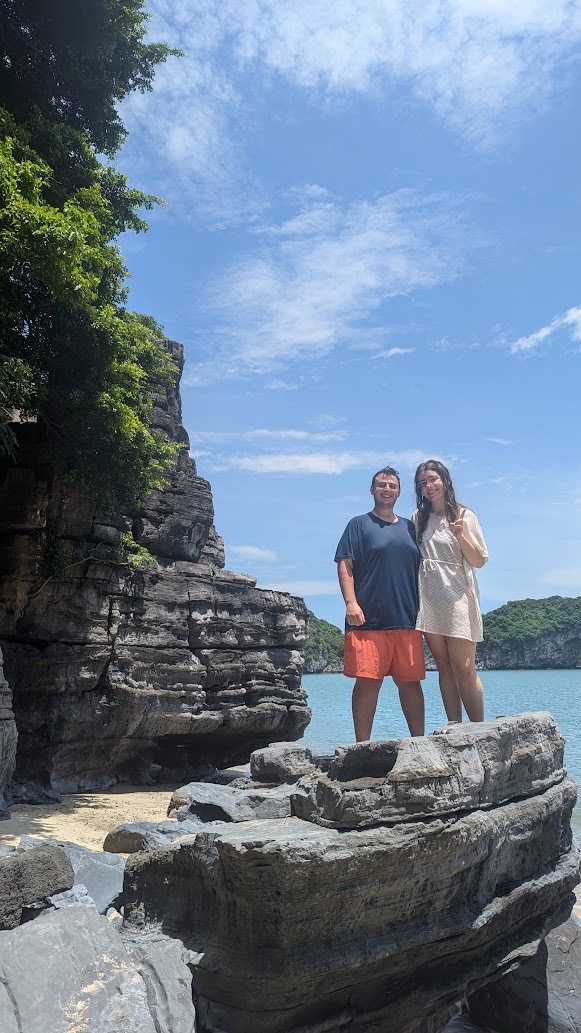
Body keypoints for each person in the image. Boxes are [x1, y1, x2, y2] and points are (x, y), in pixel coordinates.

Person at [335, 466, 425, 742]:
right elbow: (345, 564)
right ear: (372, 490)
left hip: (408, 618)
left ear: (399, 491)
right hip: (367, 619)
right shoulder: (358, 524)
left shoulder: (411, 528)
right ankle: (362, 746)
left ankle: (419, 744)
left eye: (392, 486)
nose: (387, 489)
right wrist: (351, 603)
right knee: (367, 682)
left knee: (410, 683)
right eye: (381, 485)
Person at [413, 460, 488, 723]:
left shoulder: (464, 516)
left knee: (464, 667)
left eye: (433, 479)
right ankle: (455, 725)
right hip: (429, 597)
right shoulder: (418, 519)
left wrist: (460, 535)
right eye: (423, 482)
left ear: (444, 480)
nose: (429, 486)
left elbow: (479, 560)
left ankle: (479, 728)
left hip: (457, 595)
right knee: (443, 667)